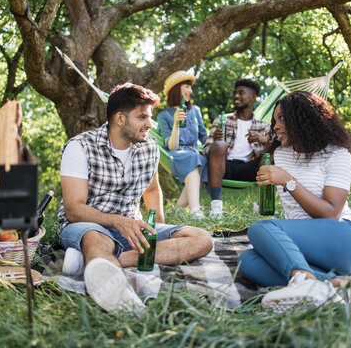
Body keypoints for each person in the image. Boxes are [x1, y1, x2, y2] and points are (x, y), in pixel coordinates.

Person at [57, 83, 213, 314]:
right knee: (97, 240)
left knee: (202, 239)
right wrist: (118, 222)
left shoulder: (149, 146)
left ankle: (102, 261)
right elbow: (73, 209)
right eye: (142, 117)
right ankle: (122, 301)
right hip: (87, 225)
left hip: (131, 226)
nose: (150, 124)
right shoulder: (79, 147)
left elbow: (151, 191)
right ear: (120, 118)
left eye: (149, 117)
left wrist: (158, 229)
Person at [238, 91, 351, 313]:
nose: (275, 126)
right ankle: (342, 286)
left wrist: (288, 181)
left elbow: (331, 212)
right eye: (274, 121)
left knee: (261, 228)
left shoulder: (337, 154)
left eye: (282, 119)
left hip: (343, 238)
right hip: (307, 247)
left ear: (303, 119)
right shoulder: (280, 154)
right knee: (247, 260)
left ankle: (303, 281)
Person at [203, 79, 270, 217]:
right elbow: (206, 150)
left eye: (241, 93)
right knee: (220, 145)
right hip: (223, 167)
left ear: (253, 97)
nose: (236, 96)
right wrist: (216, 142)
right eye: (235, 93)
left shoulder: (263, 126)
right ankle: (216, 205)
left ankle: (263, 202)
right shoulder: (223, 120)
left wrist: (264, 140)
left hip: (247, 169)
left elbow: (276, 149)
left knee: (270, 154)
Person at [157, 71, 208, 218]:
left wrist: (215, 143)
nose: (190, 91)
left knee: (203, 161)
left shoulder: (195, 111)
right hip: (176, 155)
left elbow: (204, 136)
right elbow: (172, 147)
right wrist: (176, 125)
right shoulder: (163, 116)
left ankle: (178, 209)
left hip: (195, 154)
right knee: (193, 159)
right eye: (187, 86)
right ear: (176, 88)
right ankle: (195, 210)